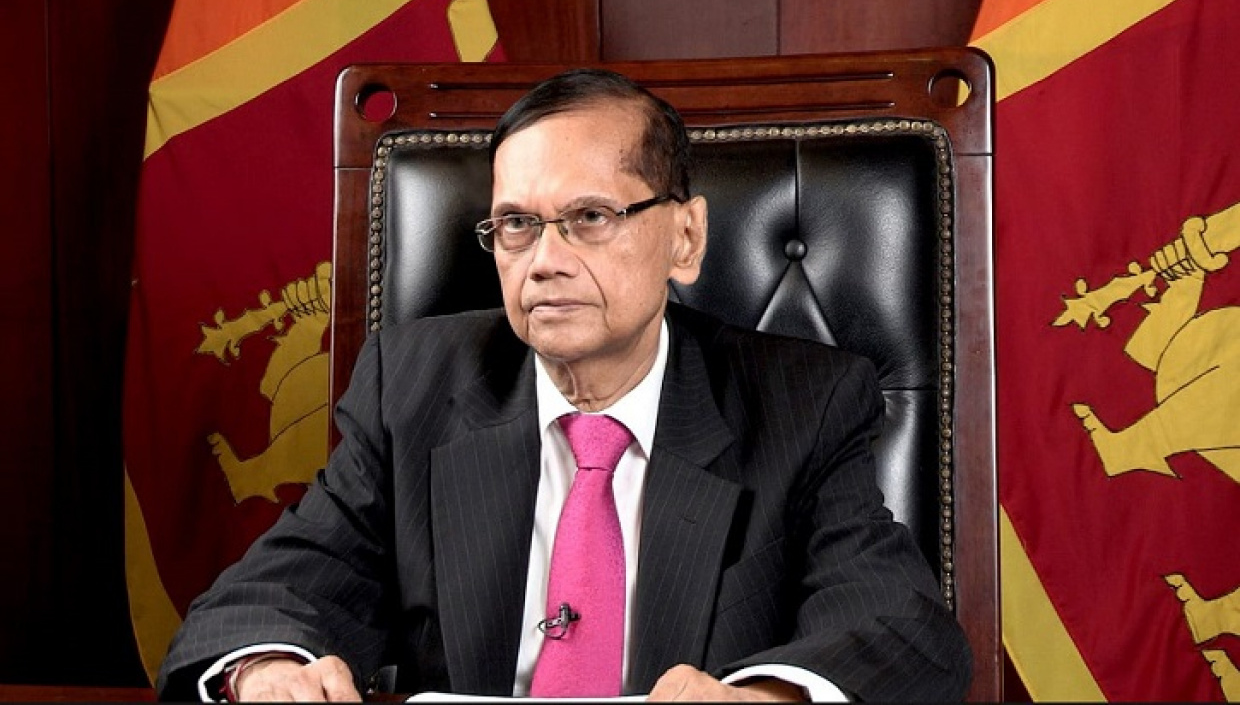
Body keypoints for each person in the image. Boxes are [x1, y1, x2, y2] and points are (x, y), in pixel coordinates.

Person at [157, 68, 971, 702]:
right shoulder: (412, 387)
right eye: (517, 224)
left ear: (685, 237)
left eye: (590, 218)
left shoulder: (803, 404)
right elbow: (266, 596)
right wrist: (267, 669)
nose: (545, 260)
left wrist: (765, 695)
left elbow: (901, 627)